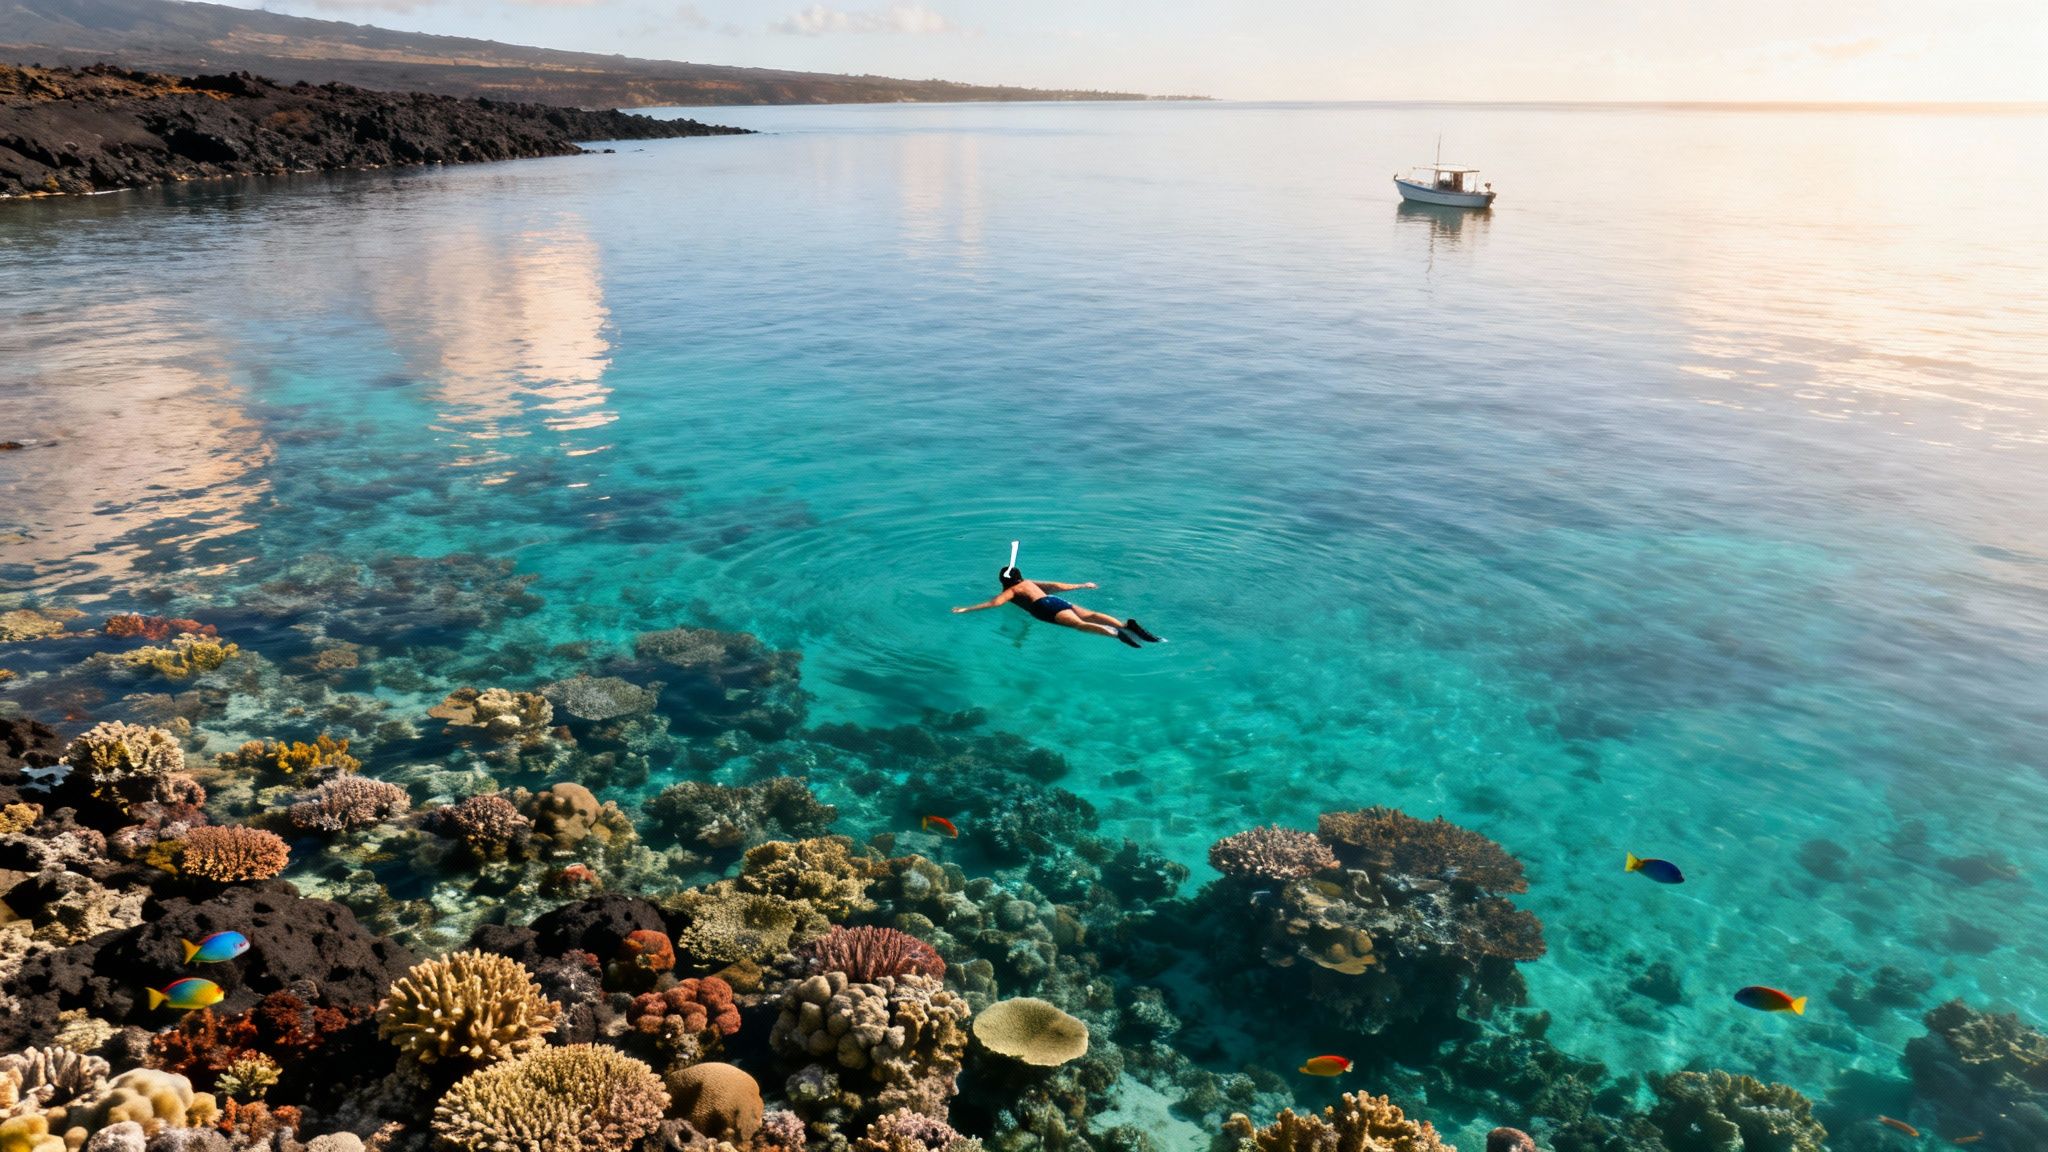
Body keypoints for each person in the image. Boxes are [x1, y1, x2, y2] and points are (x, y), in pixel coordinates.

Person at [952, 567, 1164, 648]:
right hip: (1054, 600)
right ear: (1019, 576)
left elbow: (994, 603)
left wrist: (966, 609)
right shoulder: (1030, 583)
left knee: (1080, 625)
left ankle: (1115, 634)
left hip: (1043, 608)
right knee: (1091, 614)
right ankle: (1124, 625)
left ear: (1003, 581)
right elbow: (1055, 586)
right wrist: (1082, 585)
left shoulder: (1011, 591)